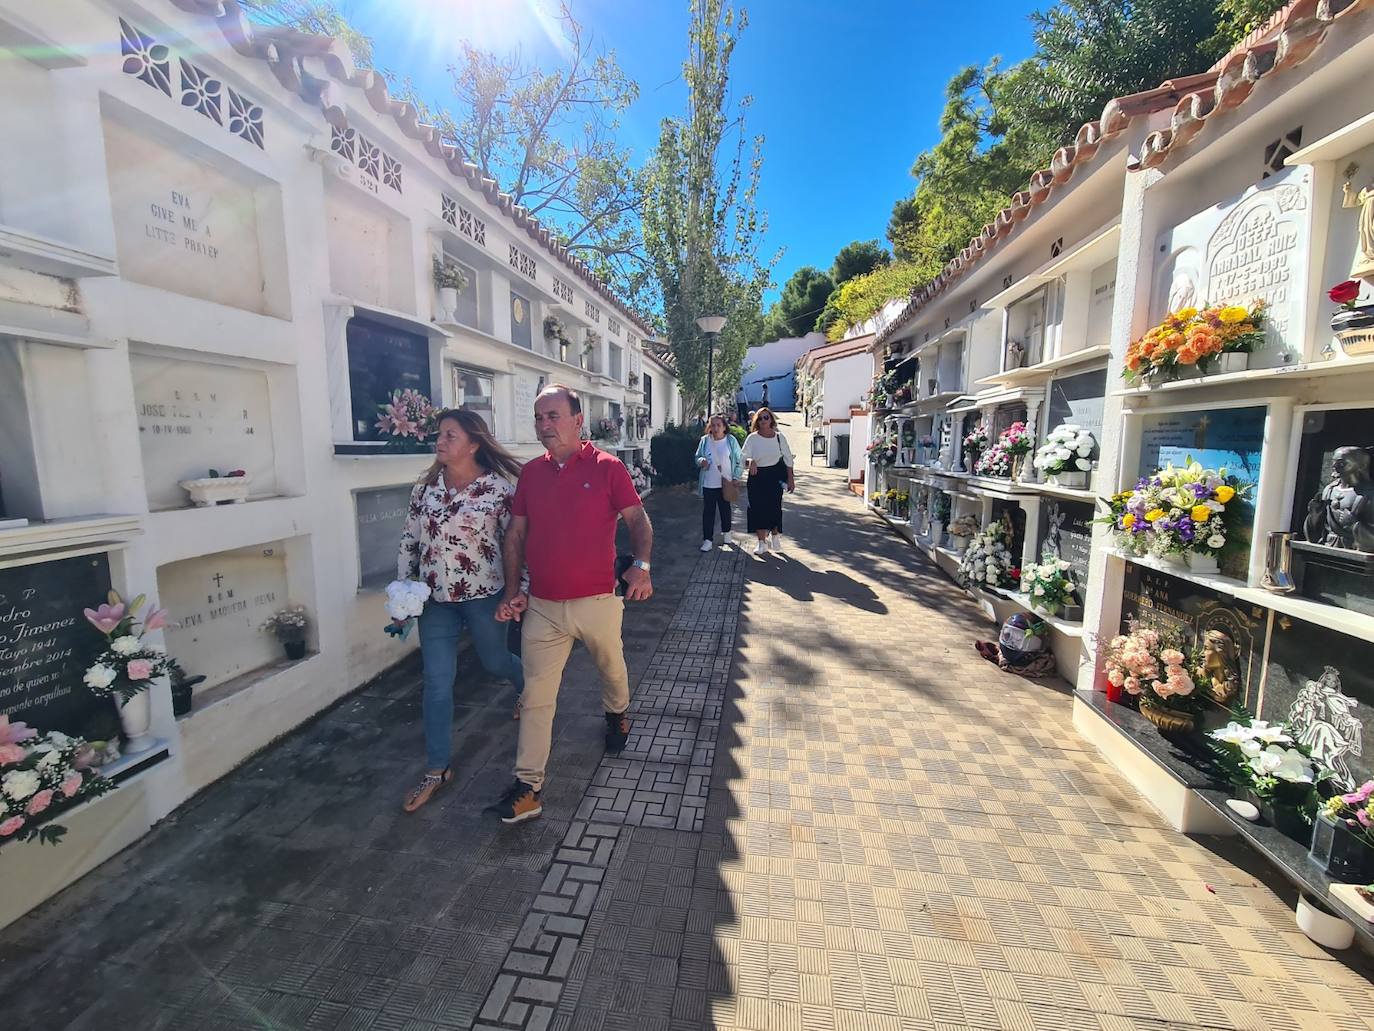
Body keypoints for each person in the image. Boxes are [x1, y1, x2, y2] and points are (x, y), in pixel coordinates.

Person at [491, 385, 654, 824]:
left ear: (578, 420)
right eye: (539, 418)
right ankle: (529, 787)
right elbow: (516, 536)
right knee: (536, 696)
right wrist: (512, 592)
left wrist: (640, 566)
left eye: (554, 416)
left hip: (597, 599)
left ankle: (618, 715)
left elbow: (638, 520)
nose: (545, 425)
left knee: (612, 670)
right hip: (543, 606)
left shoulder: (607, 468)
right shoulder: (531, 475)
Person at [396, 409, 526, 813]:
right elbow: (409, 542)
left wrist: (518, 591)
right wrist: (402, 598)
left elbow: (516, 543)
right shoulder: (426, 489)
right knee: (436, 682)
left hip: (484, 595)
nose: (440, 441)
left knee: (495, 661)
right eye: (440, 435)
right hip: (434, 602)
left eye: (450, 435)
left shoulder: (497, 490)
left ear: (473, 444)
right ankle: (437, 769)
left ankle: (527, 687)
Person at [741, 407, 795, 556]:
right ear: (756, 421)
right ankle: (761, 542)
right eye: (760, 418)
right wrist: (750, 461)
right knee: (756, 508)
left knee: (774, 507)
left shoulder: (779, 437)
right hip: (757, 476)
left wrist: (791, 478)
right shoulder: (752, 438)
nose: (763, 420)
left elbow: (788, 458)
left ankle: (775, 535)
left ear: (771, 419)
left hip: (774, 475)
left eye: (766, 417)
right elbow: (742, 458)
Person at [694, 414, 743, 552]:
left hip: (725, 482)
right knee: (708, 512)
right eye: (713, 425)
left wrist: (736, 476)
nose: (715, 428)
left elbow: (739, 459)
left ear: (724, 427)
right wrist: (701, 461)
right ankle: (707, 540)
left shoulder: (731, 441)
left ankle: (727, 533)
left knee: (725, 509)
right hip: (709, 483)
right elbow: (697, 457)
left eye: (718, 425)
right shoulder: (705, 441)